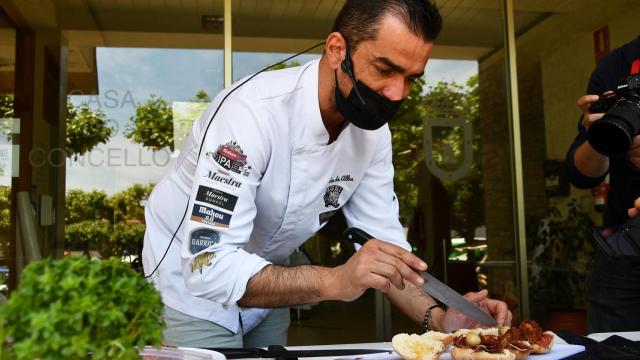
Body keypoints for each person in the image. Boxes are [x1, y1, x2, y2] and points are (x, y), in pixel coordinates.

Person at [142, 0, 512, 348]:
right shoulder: (249, 114)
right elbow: (209, 266)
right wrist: (337, 280)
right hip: (188, 285)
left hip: (267, 280)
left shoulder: (374, 136)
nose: (397, 94)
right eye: (384, 70)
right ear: (336, 49)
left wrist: (440, 317)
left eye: (411, 78)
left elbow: (387, 254)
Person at [566, 35, 640, 332]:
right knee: (609, 348)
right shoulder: (618, 64)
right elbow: (581, 174)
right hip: (626, 252)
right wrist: (600, 137)